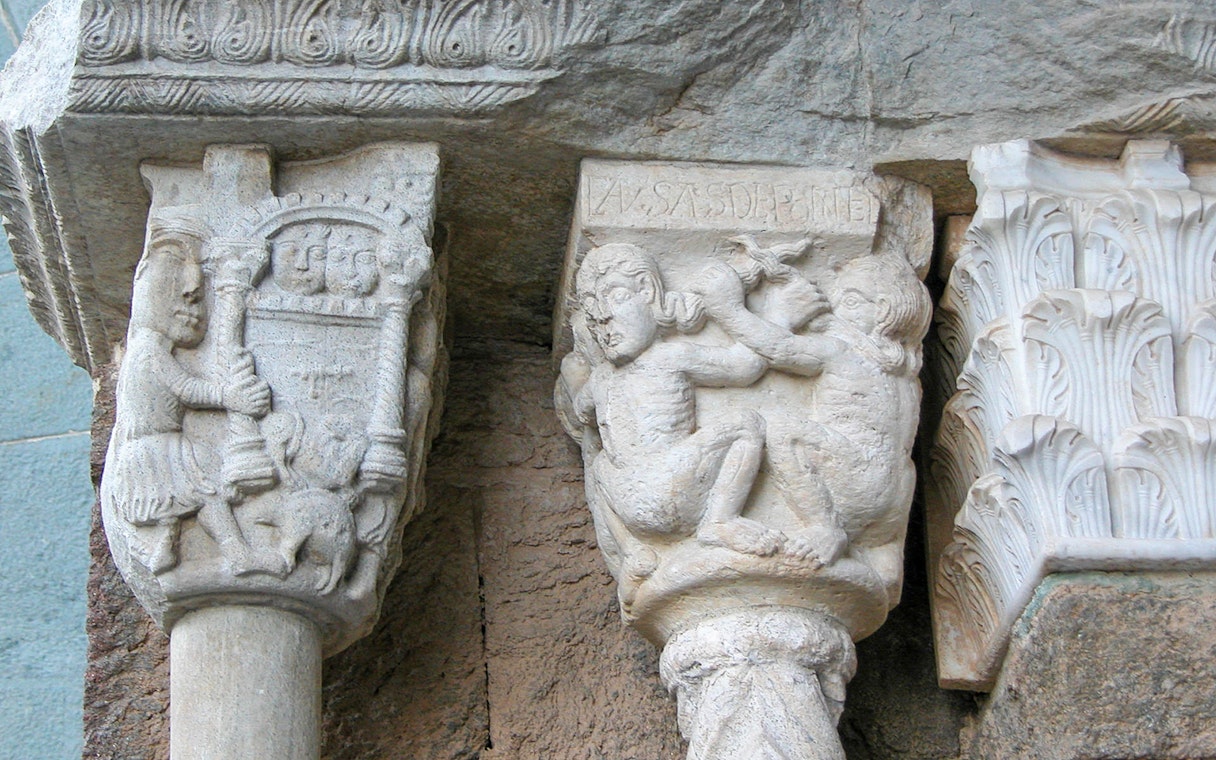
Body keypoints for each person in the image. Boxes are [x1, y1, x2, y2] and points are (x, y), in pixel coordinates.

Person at [565, 243, 784, 557]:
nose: (605, 326)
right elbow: (746, 365)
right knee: (746, 425)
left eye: (618, 300)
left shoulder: (601, 377)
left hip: (632, 503)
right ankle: (720, 520)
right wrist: (758, 314)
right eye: (596, 321)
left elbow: (580, 411)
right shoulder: (669, 355)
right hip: (669, 489)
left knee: (602, 466)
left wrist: (574, 376)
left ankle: (632, 550)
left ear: (648, 293)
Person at [102, 220, 274, 575]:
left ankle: (163, 549)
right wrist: (231, 396)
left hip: (145, 448)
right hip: (161, 446)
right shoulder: (151, 351)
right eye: (189, 300)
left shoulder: (145, 349)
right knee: (208, 495)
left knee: (170, 505)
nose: (197, 314)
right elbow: (188, 389)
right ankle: (240, 556)